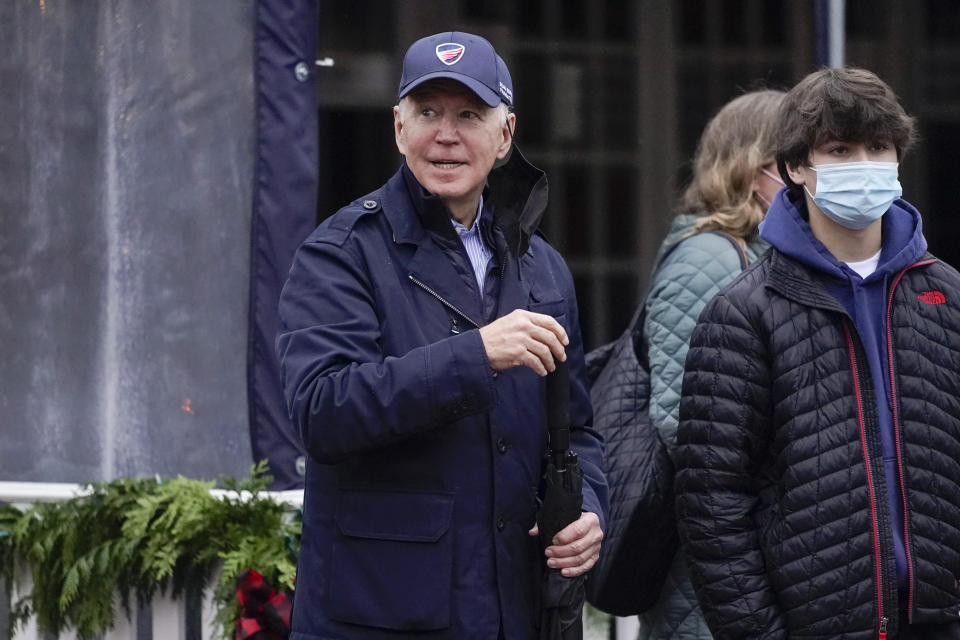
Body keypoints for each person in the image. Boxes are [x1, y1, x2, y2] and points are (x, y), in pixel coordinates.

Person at [276, 31, 607, 640]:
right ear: (399, 129)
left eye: (469, 115)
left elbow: (577, 429)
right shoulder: (341, 253)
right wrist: (476, 355)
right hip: (381, 615)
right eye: (427, 112)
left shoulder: (545, 268)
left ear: (504, 136)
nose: (445, 134)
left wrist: (590, 508)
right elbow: (321, 412)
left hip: (516, 610)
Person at [676, 67, 960, 639]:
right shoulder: (744, 311)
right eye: (839, 149)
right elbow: (712, 500)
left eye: (878, 147)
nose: (863, 164)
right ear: (796, 168)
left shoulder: (945, 295)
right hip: (818, 623)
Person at [635, 89, 783, 639]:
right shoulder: (709, 257)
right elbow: (684, 420)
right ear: (750, 168)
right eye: (791, 162)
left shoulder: (771, 257)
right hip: (714, 572)